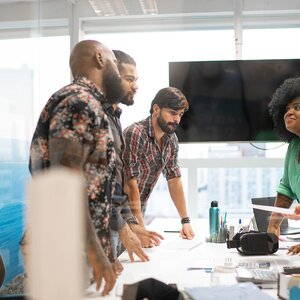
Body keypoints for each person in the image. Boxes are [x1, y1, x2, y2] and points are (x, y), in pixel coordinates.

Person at [20, 39, 126, 295]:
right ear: (100, 59)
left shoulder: (91, 105)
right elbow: (63, 184)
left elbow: (92, 190)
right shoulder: (78, 101)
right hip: (63, 247)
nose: (118, 73)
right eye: (114, 62)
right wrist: (94, 250)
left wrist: (104, 250)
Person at [105, 50, 164, 258]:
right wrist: (123, 226)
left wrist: (132, 223)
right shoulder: (97, 116)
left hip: (112, 219)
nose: (136, 86)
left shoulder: (114, 117)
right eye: (129, 79)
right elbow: (96, 184)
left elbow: (116, 182)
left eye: (136, 79)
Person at [122, 87, 195, 239]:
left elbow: (174, 179)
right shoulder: (136, 133)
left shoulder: (171, 139)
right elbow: (129, 182)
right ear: (156, 109)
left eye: (180, 114)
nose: (177, 119)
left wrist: (185, 221)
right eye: (172, 113)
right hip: (118, 214)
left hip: (138, 211)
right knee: (118, 261)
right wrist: (140, 227)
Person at [267, 77, 300, 255]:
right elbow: (286, 190)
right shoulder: (294, 145)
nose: (289, 112)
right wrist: (273, 226)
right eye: (287, 109)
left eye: (297, 107)